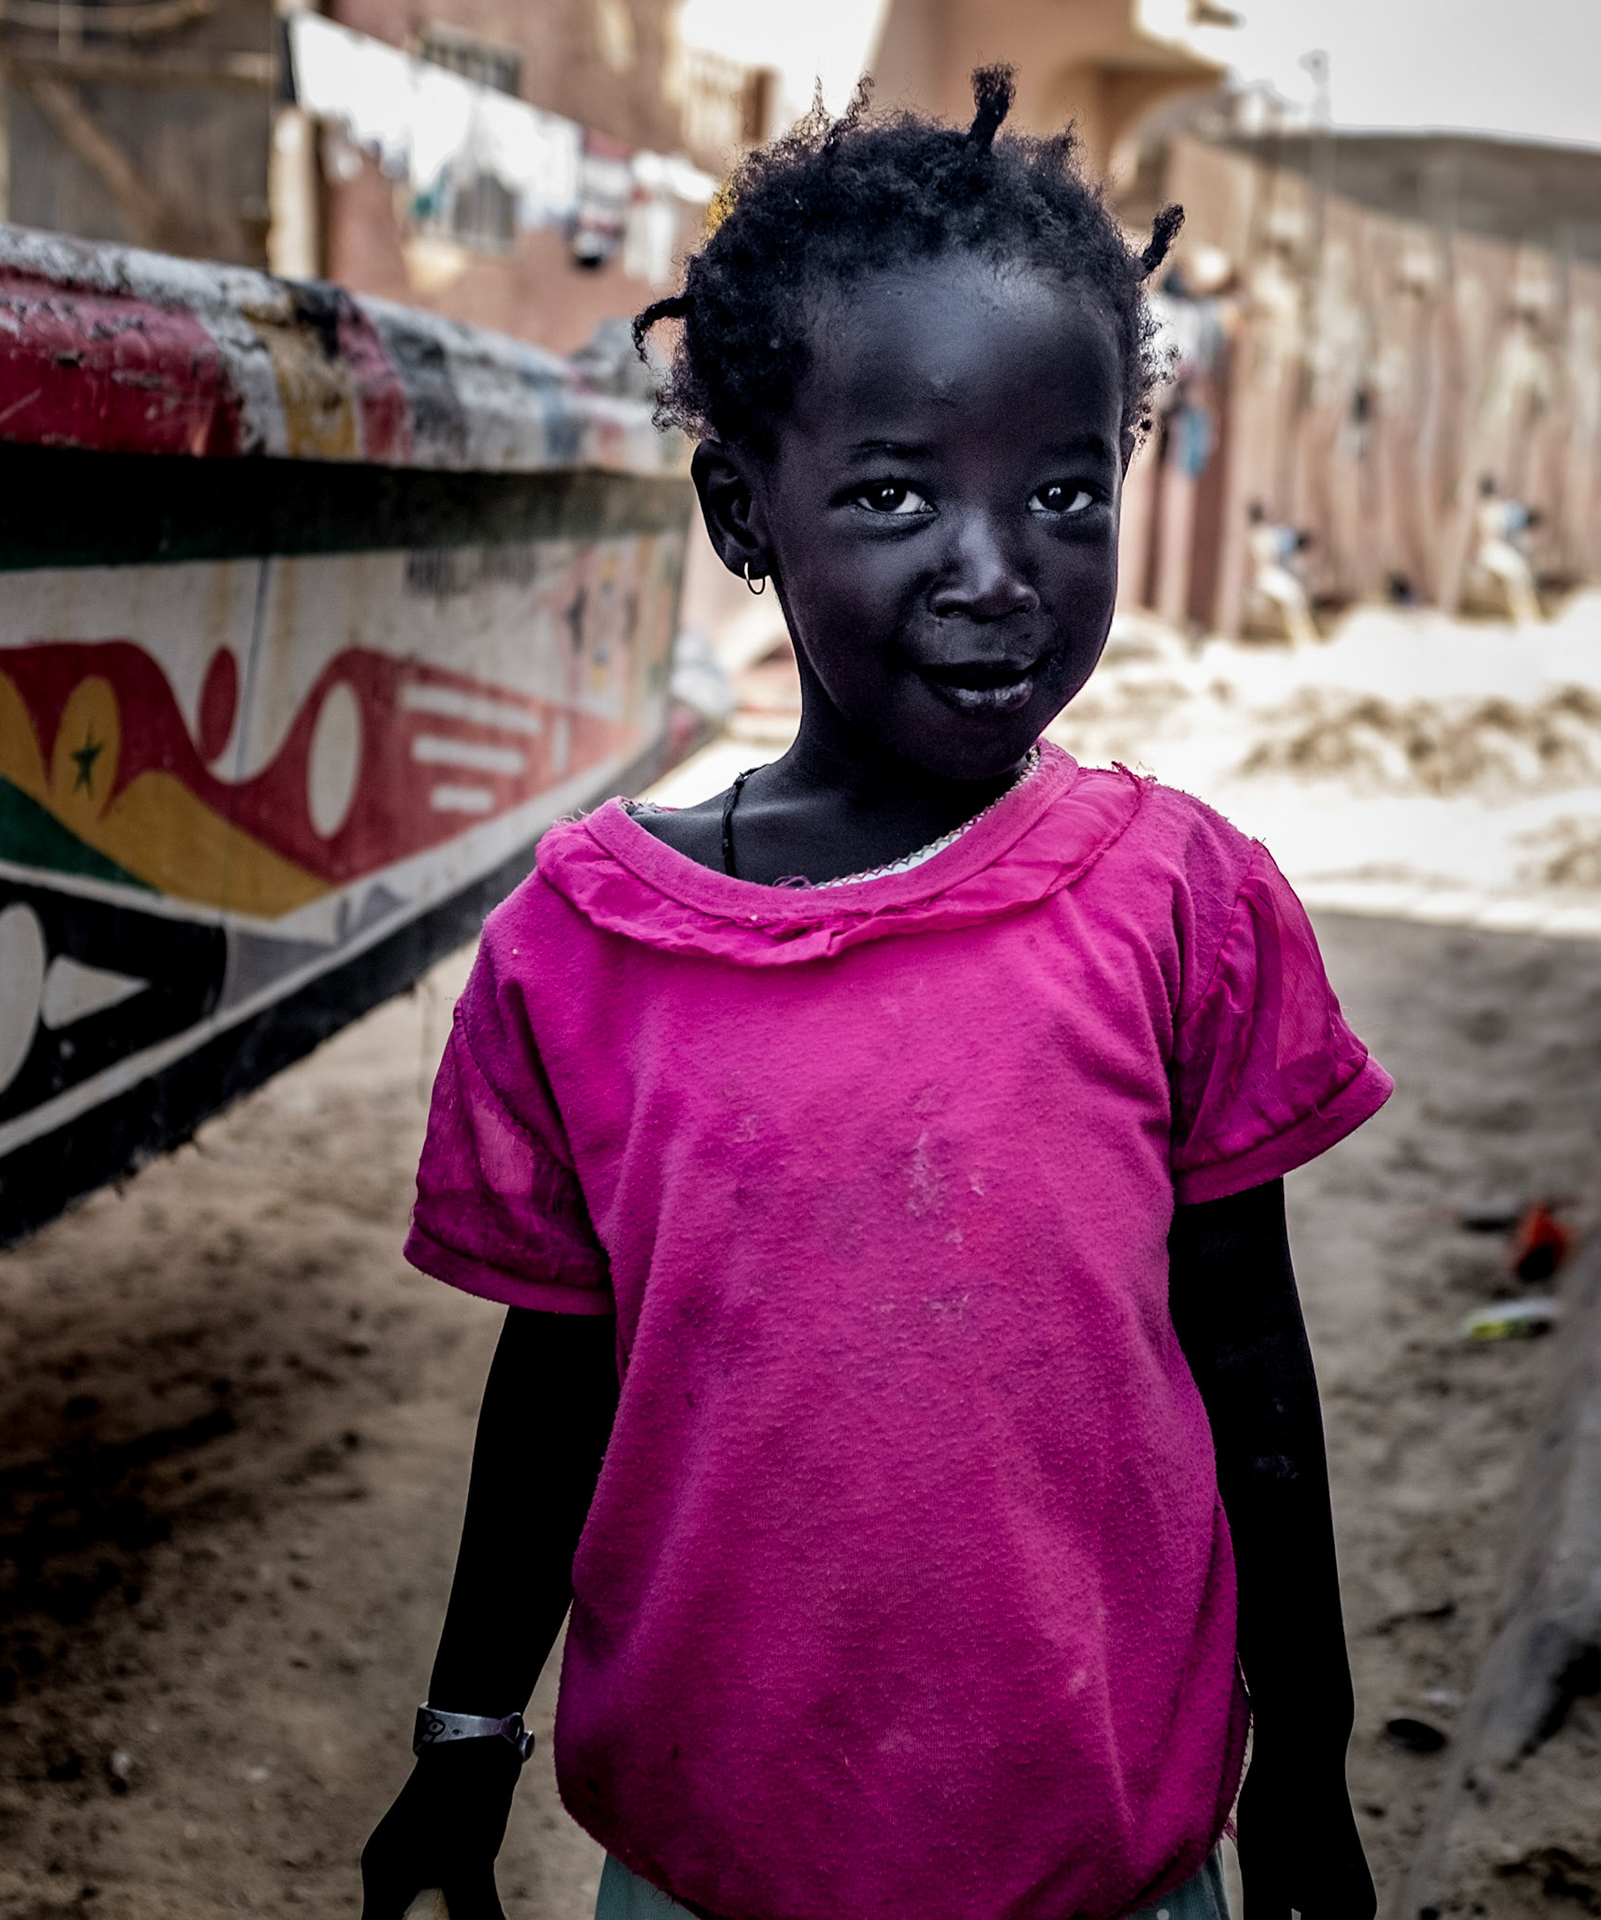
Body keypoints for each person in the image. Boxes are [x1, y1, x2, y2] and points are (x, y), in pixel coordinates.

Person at [363, 70, 1390, 1920]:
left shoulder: (1185, 908)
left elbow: (1254, 1370)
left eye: (1064, 491)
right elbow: (561, 1384)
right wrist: (463, 1740)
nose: (997, 574)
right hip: (715, 1865)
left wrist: (1304, 1765)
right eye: (898, 494)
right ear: (743, 514)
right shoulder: (582, 952)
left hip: (1107, 1862)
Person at [1470, 475, 1543, 625]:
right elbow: (1506, 527)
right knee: (1519, 573)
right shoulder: (1493, 508)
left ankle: (1526, 613)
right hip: (1493, 551)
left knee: (1520, 572)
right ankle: (1524, 614)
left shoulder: (1488, 507)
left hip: (1494, 550)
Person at [1243, 502, 1319, 646]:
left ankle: (1302, 634)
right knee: (1293, 596)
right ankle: (1300, 636)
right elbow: (1276, 553)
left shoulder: (1261, 533)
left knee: (1295, 595)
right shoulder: (1262, 534)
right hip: (1267, 576)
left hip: (1270, 574)